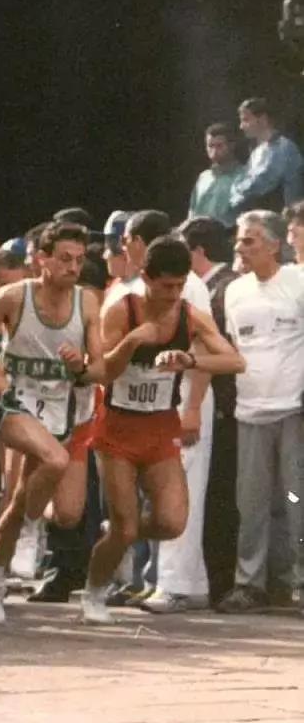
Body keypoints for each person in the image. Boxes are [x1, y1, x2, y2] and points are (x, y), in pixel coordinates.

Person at [88, 234, 241, 624]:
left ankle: (120, 533)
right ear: (146, 277)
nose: (172, 294)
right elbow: (102, 371)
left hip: (160, 427)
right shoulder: (121, 309)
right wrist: (135, 340)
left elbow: (235, 361)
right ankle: (94, 592)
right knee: (124, 527)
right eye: (165, 286)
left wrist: (189, 359)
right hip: (118, 426)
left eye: (179, 285)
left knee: (172, 523)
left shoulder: (189, 315)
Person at [0, 222, 102, 621]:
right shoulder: (14, 297)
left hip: (66, 411)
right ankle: (29, 532)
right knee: (51, 462)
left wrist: (82, 364)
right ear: (42, 259)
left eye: (79, 259)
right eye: (65, 258)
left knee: (62, 511)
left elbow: (101, 368)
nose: (73, 267)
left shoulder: (86, 302)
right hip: (16, 404)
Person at [219, 209, 304, 611]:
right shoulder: (234, 292)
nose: (240, 247)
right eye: (239, 239)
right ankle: (248, 584)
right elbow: (234, 347)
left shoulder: (300, 282)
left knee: (296, 500)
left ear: (274, 245)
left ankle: (298, 583)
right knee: (249, 504)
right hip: (250, 410)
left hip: (294, 410)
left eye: (249, 240)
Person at [232, 97, 304, 215]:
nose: (241, 126)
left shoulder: (283, 148)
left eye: (246, 120)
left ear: (263, 119)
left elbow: (262, 184)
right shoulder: (257, 152)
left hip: (284, 219)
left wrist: (237, 190)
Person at [190, 123, 247, 228]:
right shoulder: (203, 177)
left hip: (228, 237)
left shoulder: (245, 176)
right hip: (198, 238)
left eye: (219, 146)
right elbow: (192, 213)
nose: (214, 151)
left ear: (231, 145)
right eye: (210, 146)